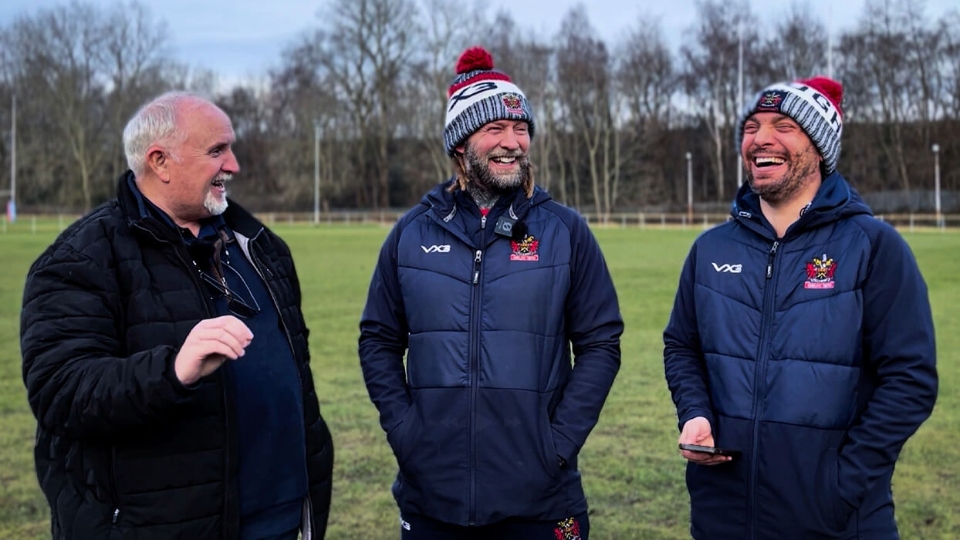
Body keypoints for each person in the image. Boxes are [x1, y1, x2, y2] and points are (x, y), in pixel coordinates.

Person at [20, 92, 334, 539]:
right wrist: (171, 371)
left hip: (284, 519)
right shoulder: (81, 258)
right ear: (160, 162)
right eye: (216, 150)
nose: (234, 165)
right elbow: (59, 392)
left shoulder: (262, 246)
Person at [358, 46, 623, 540]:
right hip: (433, 498)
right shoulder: (411, 233)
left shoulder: (565, 232)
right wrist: (407, 435)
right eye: (495, 129)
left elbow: (601, 343)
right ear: (460, 143)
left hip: (543, 500)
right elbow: (377, 339)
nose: (513, 142)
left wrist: (557, 444)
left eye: (522, 128)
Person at [663, 75, 938, 539]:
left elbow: (910, 379)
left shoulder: (873, 246)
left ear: (820, 147)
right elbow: (682, 346)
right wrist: (696, 413)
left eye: (783, 125)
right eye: (752, 126)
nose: (760, 138)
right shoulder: (710, 249)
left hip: (837, 520)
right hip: (723, 516)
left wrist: (841, 485)